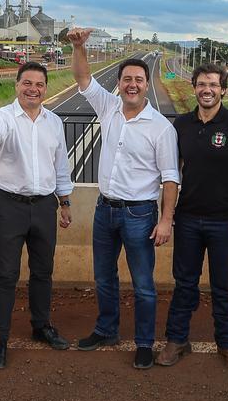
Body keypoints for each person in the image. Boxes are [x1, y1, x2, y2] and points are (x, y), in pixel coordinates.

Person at [67, 28, 179, 369]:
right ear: (119, 82)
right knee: (103, 277)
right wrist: (79, 46)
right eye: (127, 78)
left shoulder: (160, 127)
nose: (132, 84)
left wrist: (165, 220)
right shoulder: (109, 107)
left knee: (143, 285)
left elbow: (171, 178)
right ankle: (106, 329)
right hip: (105, 209)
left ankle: (144, 342)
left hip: (140, 215)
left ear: (147, 84)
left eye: (139, 80)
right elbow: (83, 77)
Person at [160, 62, 228, 374]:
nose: (207, 90)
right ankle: (177, 340)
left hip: (226, 222)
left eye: (214, 85)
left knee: (223, 287)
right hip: (188, 220)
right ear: (194, 88)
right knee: (184, 284)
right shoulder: (181, 125)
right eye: (202, 84)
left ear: (223, 90)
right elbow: (172, 174)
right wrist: (168, 214)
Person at [0, 62, 75, 370]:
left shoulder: (54, 121)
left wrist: (65, 201)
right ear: (17, 85)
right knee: (5, 274)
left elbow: (60, 164)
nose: (33, 88)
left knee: (43, 271)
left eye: (39, 84)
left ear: (46, 88)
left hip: (45, 204)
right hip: (9, 204)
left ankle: (40, 324)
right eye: (27, 83)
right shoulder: (3, 117)